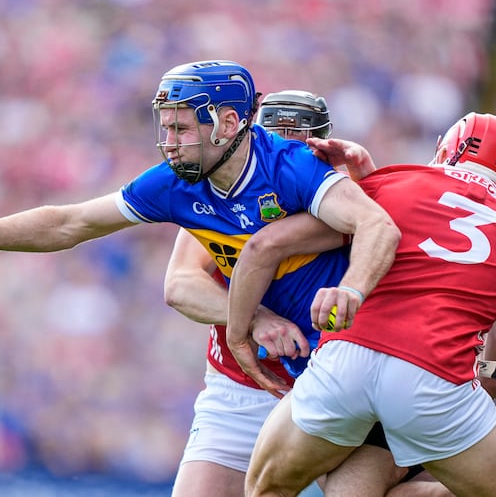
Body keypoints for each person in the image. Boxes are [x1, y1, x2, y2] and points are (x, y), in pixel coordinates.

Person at [0, 59, 400, 486]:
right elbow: (73, 223)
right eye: (166, 127)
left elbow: (378, 226)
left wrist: (351, 286)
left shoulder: (303, 172)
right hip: (244, 382)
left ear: (230, 124)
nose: (169, 143)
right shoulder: (184, 186)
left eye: (181, 129)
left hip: (332, 371)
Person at [225, 112, 496, 496]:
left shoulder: (394, 181)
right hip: (434, 379)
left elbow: (267, 245)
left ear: (444, 149)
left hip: (345, 362)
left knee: (267, 487)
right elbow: (493, 371)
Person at [165, 90, 448, 497]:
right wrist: (256, 318)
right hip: (239, 387)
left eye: (297, 143)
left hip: (328, 387)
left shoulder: (348, 199)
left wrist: (371, 184)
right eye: (273, 140)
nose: (282, 155)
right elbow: (180, 284)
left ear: (320, 147)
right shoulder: (221, 196)